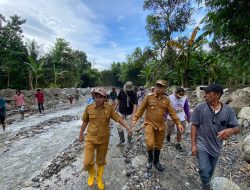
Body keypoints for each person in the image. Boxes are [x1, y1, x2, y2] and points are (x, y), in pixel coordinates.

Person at [79, 87, 132, 189]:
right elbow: (85, 122)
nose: (98, 99)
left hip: (103, 140)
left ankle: (99, 178)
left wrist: (127, 127)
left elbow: (118, 119)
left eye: (100, 97)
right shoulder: (89, 108)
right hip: (90, 139)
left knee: (101, 161)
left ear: (105, 98)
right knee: (86, 163)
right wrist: (81, 134)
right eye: (96, 97)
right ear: (94, 97)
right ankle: (91, 173)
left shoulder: (109, 108)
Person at [191, 84, 240, 190]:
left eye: (208, 93)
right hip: (202, 143)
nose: (205, 95)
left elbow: (237, 128)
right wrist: (193, 145)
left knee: (210, 171)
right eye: (205, 92)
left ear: (217, 95)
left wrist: (230, 130)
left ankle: (207, 183)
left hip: (216, 147)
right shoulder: (199, 108)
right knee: (204, 170)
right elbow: (194, 125)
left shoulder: (228, 111)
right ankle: (207, 187)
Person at [132, 80, 184, 171]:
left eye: (161, 86)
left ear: (164, 88)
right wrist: (135, 119)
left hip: (161, 126)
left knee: (159, 145)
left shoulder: (167, 100)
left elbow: (172, 113)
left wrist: (178, 123)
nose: (158, 87)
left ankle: (156, 161)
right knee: (150, 143)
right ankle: (149, 159)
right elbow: (141, 109)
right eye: (157, 85)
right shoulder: (149, 97)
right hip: (149, 123)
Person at [165, 87, 191, 152]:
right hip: (171, 116)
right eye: (178, 95)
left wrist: (188, 117)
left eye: (181, 96)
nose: (179, 97)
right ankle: (168, 135)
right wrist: (165, 116)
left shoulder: (184, 99)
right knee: (170, 128)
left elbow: (186, 109)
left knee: (181, 130)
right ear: (175, 93)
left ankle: (178, 143)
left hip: (181, 116)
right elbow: (166, 108)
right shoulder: (170, 98)